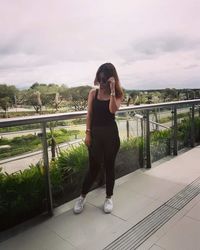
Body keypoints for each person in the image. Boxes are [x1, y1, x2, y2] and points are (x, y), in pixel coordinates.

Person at [73, 62, 123, 214]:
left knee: (109, 166)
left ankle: (109, 197)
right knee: (93, 167)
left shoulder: (119, 93)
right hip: (95, 135)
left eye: (104, 79)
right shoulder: (93, 93)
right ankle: (82, 196)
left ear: (110, 79)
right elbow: (90, 114)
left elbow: (112, 110)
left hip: (111, 135)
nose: (101, 82)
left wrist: (113, 90)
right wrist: (87, 133)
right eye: (99, 78)